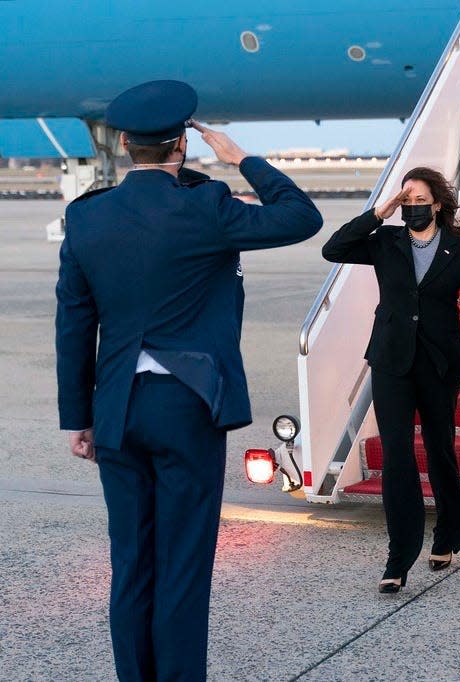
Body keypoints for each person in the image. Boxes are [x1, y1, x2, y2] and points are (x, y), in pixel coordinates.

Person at [55, 79, 323, 680]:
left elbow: (73, 323)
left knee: (132, 562)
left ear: (125, 144)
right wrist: (241, 158)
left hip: (117, 407)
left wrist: (79, 417)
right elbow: (302, 216)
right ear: (181, 144)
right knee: (183, 563)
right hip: (187, 403)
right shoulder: (206, 206)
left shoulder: (87, 217)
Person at [322, 166, 460, 592]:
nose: (413, 209)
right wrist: (380, 212)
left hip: (439, 365)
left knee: (440, 450)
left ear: (437, 204)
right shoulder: (385, 240)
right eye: (407, 202)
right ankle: (399, 557)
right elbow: (334, 248)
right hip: (391, 361)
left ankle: (450, 533)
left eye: (419, 202)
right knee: (398, 456)